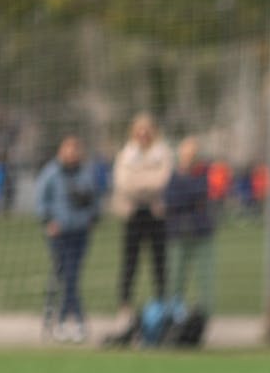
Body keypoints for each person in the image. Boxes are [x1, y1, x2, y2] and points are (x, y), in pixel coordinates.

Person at [36, 136, 101, 343]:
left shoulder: (86, 172)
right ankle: (70, 321)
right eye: (68, 150)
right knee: (66, 276)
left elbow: (95, 199)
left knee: (69, 276)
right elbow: (41, 199)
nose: (71, 154)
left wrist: (92, 217)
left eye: (75, 150)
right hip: (59, 233)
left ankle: (56, 320)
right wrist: (48, 221)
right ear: (61, 151)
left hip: (80, 232)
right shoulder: (51, 172)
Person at [111, 113, 173, 328]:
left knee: (159, 262)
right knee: (129, 263)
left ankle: (162, 306)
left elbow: (162, 180)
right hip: (133, 213)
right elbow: (124, 182)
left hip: (156, 214)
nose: (143, 134)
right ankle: (124, 307)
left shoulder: (162, 153)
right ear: (134, 132)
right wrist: (146, 183)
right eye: (140, 130)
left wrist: (140, 182)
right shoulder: (126, 154)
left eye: (147, 129)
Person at [163, 137, 216, 323]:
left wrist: (186, 195)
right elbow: (171, 199)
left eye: (192, 155)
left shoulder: (204, 173)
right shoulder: (173, 176)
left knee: (205, 277)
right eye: (185, 155)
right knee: (176, 276)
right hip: (178, 233)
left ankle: (204, 316)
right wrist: (190, 197)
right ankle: (174, 315)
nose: (188, 158)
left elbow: (202, 192)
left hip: (201, 232)